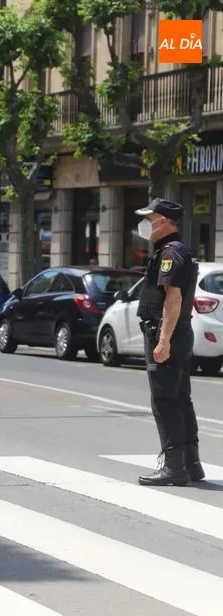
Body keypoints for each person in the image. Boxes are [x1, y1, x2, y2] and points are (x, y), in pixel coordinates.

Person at [133, 198, 202, 486]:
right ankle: (191, 463)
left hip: (167, 332)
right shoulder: (178, 250)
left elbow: (173, 299)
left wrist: (163, 340)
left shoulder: (171, 253)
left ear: (163, 221)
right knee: (181, 398)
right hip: (178, 332)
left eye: (149, 219)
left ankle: (174, 466)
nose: (145, 225)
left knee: (164, 399)